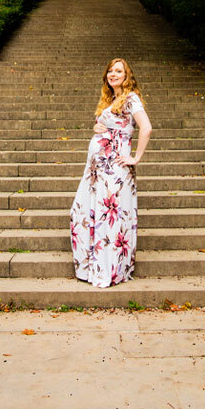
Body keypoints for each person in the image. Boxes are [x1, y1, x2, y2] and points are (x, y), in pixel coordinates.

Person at [70, 57, 152, 288]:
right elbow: (114, 124)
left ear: (127, 77)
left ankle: (108, 270)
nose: (113, 74)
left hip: (114, 171)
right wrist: (97, 127)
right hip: (96, 172)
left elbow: (146, 127)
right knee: (82, 214)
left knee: (109, 219)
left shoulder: (131, 98)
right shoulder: (112, 99)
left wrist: (136, 158)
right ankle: (93, 267)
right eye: (110, 71)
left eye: (119, 71)